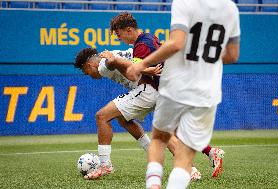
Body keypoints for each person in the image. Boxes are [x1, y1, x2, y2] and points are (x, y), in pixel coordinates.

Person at [124, 0, 241, 188]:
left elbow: (176, 43)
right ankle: (210, 153)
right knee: (185, 152)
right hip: (207, 92)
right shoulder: (230, 8)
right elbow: (232, 56)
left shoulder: (184, 2)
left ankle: (153, 183)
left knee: (160, 138)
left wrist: (142, 64)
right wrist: (206, 55)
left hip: (177, 84)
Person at [103, 11, 227, 181]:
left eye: (119, 34)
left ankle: (190, 169)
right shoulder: (147, 38)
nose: (118, 38)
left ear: (129, 29)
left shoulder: (142, 45)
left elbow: (133, 73)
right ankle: (211, 153)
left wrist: (117, 61)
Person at [74, 47, 161, 180]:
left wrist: (145, 70)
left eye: (86, 72)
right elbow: (130, 57)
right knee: (122, 118)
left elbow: (113, 61)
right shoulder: (114, 53)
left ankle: (105, 165)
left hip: (147, 89)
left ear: (89, 65)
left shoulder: (103, 64)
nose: (89, 76)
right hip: (155, 87)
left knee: (101, 116)